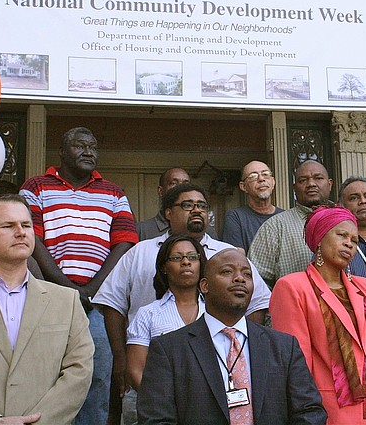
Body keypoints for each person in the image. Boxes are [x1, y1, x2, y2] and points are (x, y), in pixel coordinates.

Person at [93, 182, 271, 424]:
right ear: (168, 213)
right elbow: (112, 303)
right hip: (150, 390)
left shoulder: (228, 253)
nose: (196, 210)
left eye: (202, 206)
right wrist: (121, 360)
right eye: (187, 205)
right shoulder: (140, 252)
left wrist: (241, 352)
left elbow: (257, 302)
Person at [0, 194, 93, 425]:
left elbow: (79, 371)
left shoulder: (67, 301)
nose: (21, 232)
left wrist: (38, 422)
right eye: (8, 225)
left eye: (26, 225)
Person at [19, 126, 138, 425]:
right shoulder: (35, 187)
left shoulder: (114, 192)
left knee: (96, 379)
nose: (88, 151)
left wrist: (93, 290)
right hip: (47, 299)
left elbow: (124, 240)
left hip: (96, 306)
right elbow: (32, 240)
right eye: (79, 145)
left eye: (93, 146)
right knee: (45, 377)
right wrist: (67, 288)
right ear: (61, 152)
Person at [137, 248, 328, 424]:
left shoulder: (283, 346)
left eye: (247, 274)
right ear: (204, 285)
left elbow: (309, 412)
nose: (239, 279)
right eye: (227, 272)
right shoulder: (169, 349)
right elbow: (156, 419)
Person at [271, 206, 366, 424]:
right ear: (319, 238)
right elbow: (296, 364)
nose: (349, 243)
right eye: (341, 235)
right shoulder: (293, 287)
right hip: (329, 410)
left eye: (354, 239)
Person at [125, 234, 205, 390]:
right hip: (161, 406)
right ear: (164, 267)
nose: (186, 262)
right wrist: (161, 403)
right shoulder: (148, 314)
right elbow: (136, 371)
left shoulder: (214, 311)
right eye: (176, 258)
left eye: (192, 257)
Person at [250, 160, 334, 288]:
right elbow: (257, 282)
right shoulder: (275, 227)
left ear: (329, 184)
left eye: (318, 178)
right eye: (303, 180)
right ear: (294, 189)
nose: (311, 184)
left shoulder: (346, 223)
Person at [222, 160, 284, 251]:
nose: (261, 179)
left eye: (265, 174)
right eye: (253, 176)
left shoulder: (285, 217)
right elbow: (236, 259)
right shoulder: (235, 217)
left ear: (273, 182)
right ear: (243, 186)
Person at [136, 167, 190, 241]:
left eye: (186, 184)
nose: (181, 188)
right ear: (161, 191)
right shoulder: (141, 230)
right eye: (174, 183)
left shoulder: (204, 230)